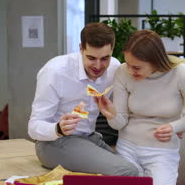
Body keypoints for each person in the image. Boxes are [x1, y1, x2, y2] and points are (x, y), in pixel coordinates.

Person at [95, 30, 185, 185]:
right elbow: (120, 123)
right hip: (127, 148)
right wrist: (111, 115)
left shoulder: (182, 74)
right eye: (128, 64)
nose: (131, 71)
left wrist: (174, 127)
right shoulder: (123, 72)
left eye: (137, 67)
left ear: (155, 61)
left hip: (163, 152)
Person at [28, 22, 138, 176]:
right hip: (54, 142)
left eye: (105, 58)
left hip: (91, 138)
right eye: (91, 58)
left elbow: (125, 110)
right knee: (127, 171)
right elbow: (33, 127)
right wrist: (58, 128)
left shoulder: (114, 67)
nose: (98, 66)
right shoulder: (54, 72)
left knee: (138, 171)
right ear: (81, 48)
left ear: (112, 50)